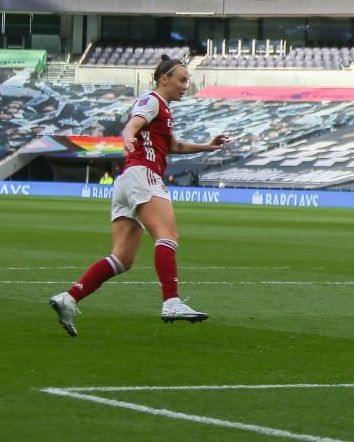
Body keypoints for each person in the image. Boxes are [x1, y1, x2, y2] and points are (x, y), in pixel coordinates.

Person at [49, 55, 228, 337]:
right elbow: (134, 122)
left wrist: (207, 147)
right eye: (181, 79)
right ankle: (171, 301)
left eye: (187, 81)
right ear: (163, 79)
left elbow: (173, 146)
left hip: (128, 180)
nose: (185, 85)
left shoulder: (164, 111)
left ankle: (69, 298)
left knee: (122, 259)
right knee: (167, 236)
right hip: (143, 175)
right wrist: (128, 135)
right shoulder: (152, 99)